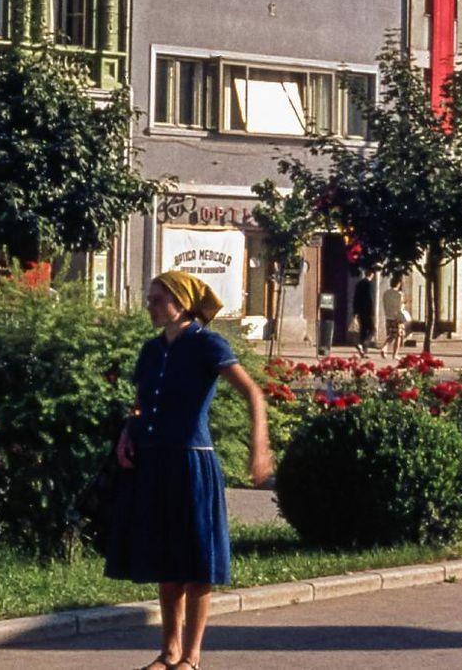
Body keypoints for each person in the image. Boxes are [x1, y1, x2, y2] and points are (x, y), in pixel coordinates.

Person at [110, 270, 271, 670]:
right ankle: (169, 653)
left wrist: (260, 448)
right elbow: (141, 401)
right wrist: (127, 432)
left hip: (192, 461)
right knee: (167, 562)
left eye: (157, 300)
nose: (149, 306)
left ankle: (192, 657)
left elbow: (253, 392)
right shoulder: (151, 350)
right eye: (149, 299)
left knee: (196, 562)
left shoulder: (207, 345)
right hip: (154, 461)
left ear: (180, 303)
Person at [380, 276, 407, 358]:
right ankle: (395, 354)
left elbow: (385, 304)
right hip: (397, 318)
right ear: (398, 283)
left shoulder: (386, 293)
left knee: (391, 335)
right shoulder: (399, 294)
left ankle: (384, 348)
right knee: (398, 336)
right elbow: (400, 307)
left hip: (388, 317)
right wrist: (404, 304)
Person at [352, 270, 376, 357]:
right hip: (368, 311)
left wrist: (355, 311)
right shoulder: (369, 284)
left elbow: (355, 298)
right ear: (371, 274)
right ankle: (364, 344)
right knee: (372, 330)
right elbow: (370, 299)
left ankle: (363, 352)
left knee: (363, 330)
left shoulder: (359, 284)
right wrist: (372, 310)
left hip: (360, 311)